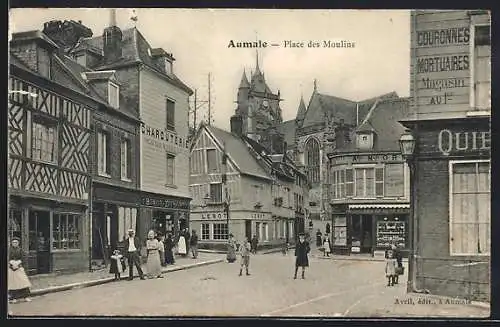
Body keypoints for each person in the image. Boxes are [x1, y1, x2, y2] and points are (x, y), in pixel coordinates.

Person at [8, 237, 32, 303]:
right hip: (11, 269)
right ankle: (13, 298)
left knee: (23, 282)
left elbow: (24, 258)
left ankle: (26, 297)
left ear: (18, 243)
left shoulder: (21, 250)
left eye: (16, 242)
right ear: (11, 243)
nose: (14, 244)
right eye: (13, 242)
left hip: (19, 268)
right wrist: (11, 263)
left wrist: (19, 263)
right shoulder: (9, 250)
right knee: (13, 284)